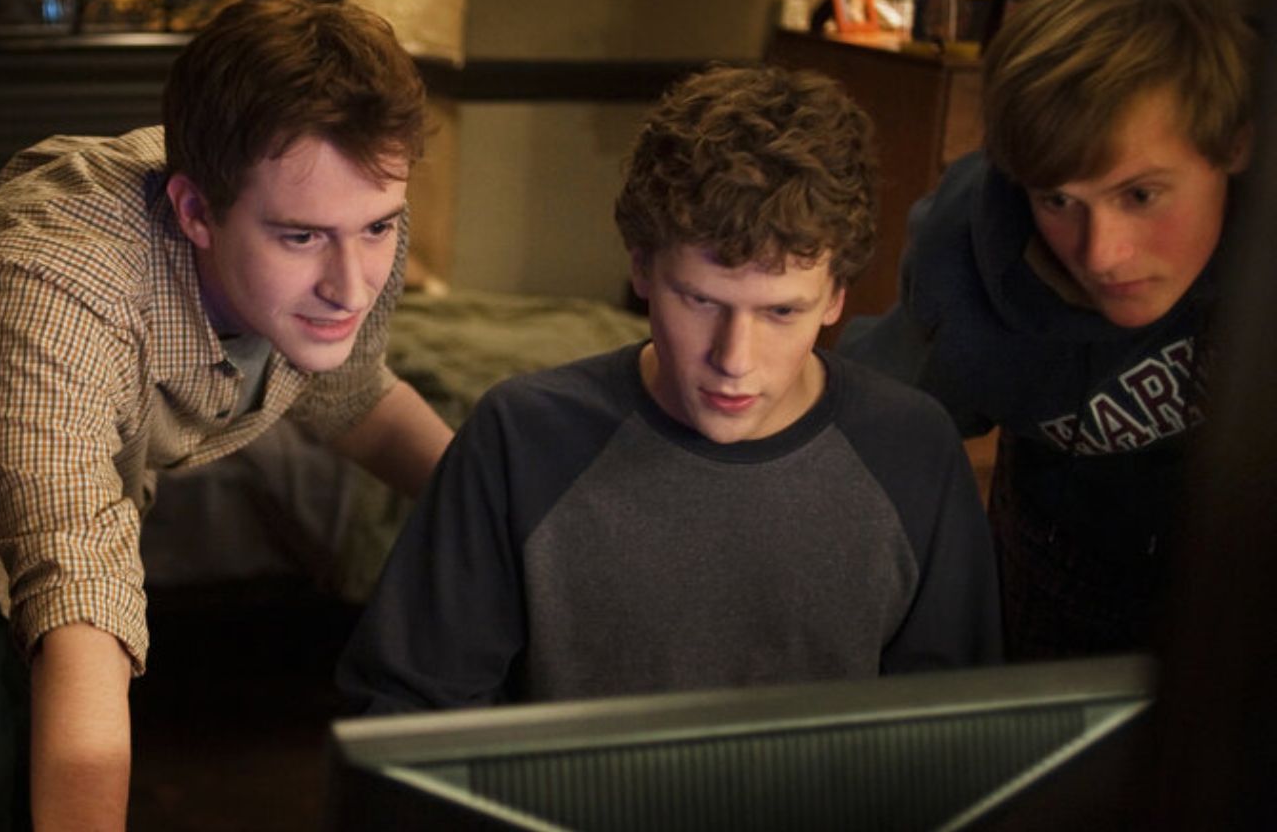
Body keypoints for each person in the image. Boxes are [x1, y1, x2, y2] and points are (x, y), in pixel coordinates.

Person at [0, 0, 453, 829]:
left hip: (99, 502)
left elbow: (350, 394)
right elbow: (80, 580)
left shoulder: (352, 207)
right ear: (194, 211)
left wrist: (506, 516)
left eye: (380, 230)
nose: (351, 283)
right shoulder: (57, 292)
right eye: (299, 238)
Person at [336, 64, 1002, 713]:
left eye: (781, 312)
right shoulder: (522, 436)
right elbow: (404, 712)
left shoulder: (913, 450)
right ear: (642, 270)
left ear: (837, 297)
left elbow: (958, 734)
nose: (734, 360)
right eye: (700, 301)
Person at [838, 0, 1255, 659]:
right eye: (1058, 200)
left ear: (1235, 147)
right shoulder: (966, 257)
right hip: (1053, 604)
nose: (1101, 255)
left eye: (1141, 196)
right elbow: (872, 434)